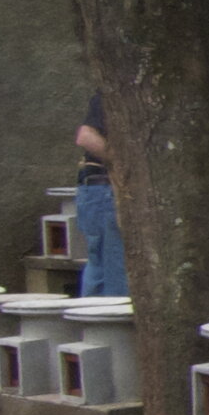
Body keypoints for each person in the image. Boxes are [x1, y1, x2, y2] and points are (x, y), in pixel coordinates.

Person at [73, 94, 125, 297]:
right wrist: (128, 165)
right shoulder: (117, 91)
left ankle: (93, 328)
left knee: (99, 272)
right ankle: (112, 328)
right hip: (105, 191)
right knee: (115, 275)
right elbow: (86, 137)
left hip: (96, 193)